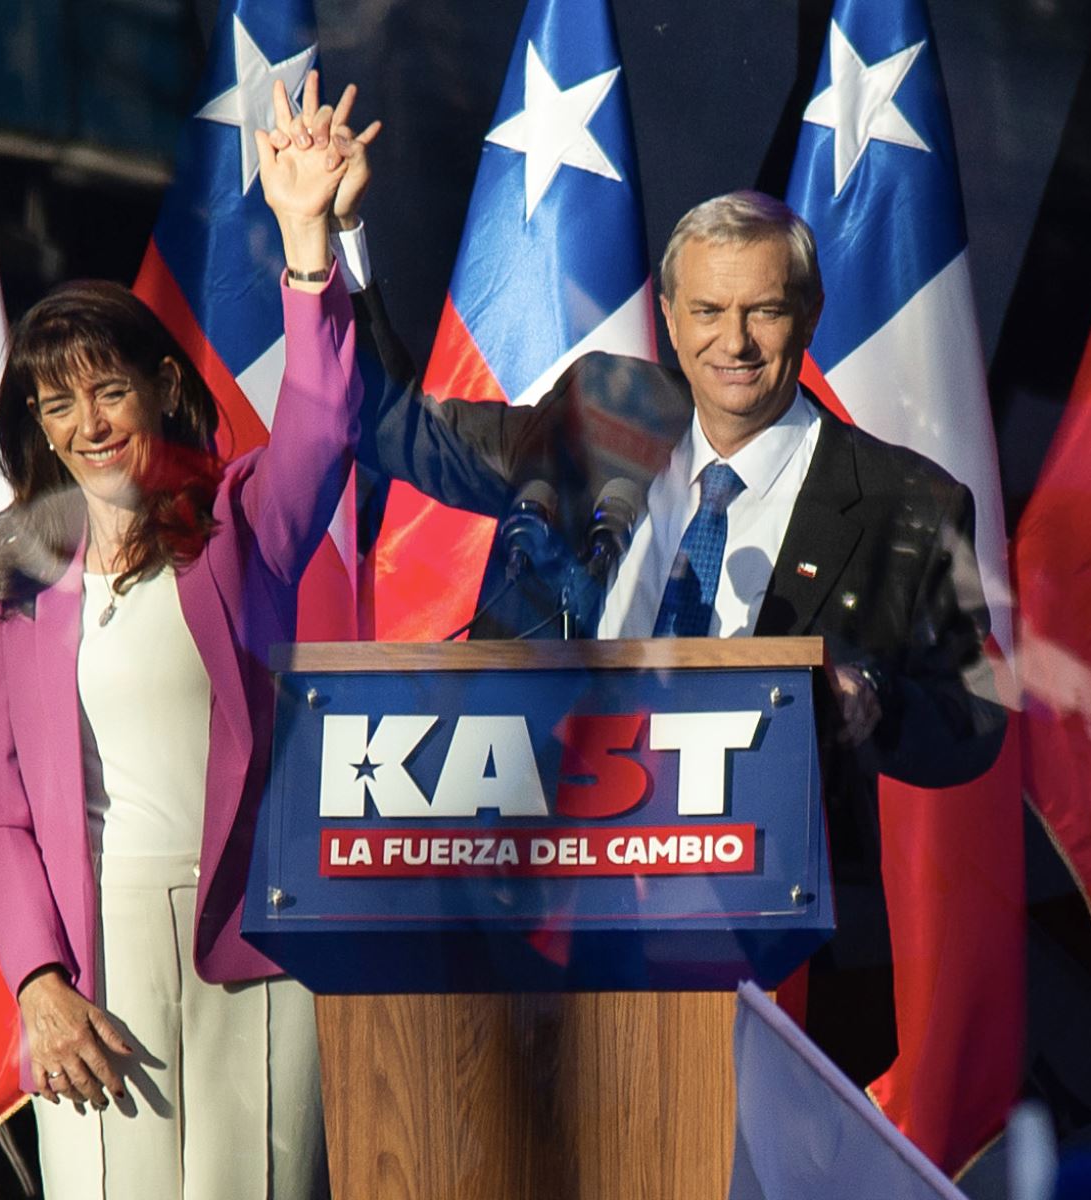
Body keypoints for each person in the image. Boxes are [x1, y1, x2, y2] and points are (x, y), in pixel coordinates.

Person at [348, 187, 1006, 1082]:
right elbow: (390, 429)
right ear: (666, 314)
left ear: (807, 314)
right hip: (533, 917)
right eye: (706, 311)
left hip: (767, 962)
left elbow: (977, 713)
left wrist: (868, 701)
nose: (732, 344)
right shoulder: (602, 415)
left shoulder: (908, 503)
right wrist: (336, 237)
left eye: (763, 311)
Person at [0, 74, 372, 1198]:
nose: (87, 424)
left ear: (161, 388)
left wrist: (306, 237)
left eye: (106, 391)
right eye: (57, 405)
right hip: (99, 954)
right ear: (35, 428)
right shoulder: (18, 578)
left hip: (263, 945)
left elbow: (327, 421)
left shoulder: (245, 520)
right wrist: (40, 980)